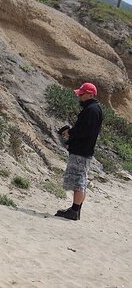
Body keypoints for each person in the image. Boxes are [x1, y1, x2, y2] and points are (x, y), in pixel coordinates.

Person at [55, 82, 103, 221]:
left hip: (81, 150)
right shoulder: (94, 109)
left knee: (79, 180)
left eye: (82, 94)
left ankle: (74, 211)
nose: (80, 97)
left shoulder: (92, 110)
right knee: (81, 179)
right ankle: (76, 209)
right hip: (84, 149)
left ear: (90, 94)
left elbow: (84, 131)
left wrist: (70, 132)